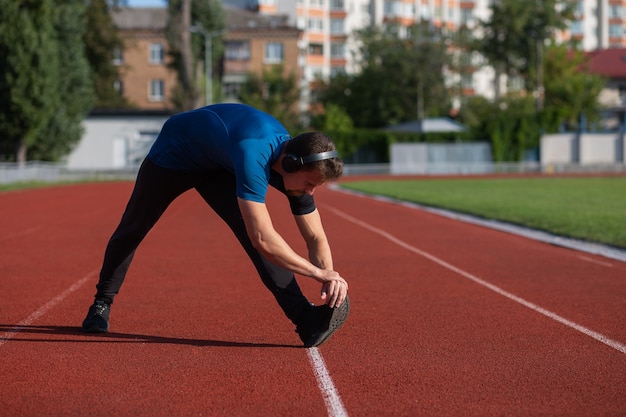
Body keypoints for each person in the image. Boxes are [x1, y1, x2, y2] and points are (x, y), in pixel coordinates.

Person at [81, 103, 350, 348]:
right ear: (290, 163)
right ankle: (101, 303)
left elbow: (315, 236)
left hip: (218, 163)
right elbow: (264, 238)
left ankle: (306, 319)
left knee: (251, 236)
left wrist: (330, 275)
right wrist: (316, 273)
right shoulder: (253, 153)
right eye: (309, 184)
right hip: (175, 153)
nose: (310, 192)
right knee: (133, 228)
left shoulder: (294, 163)